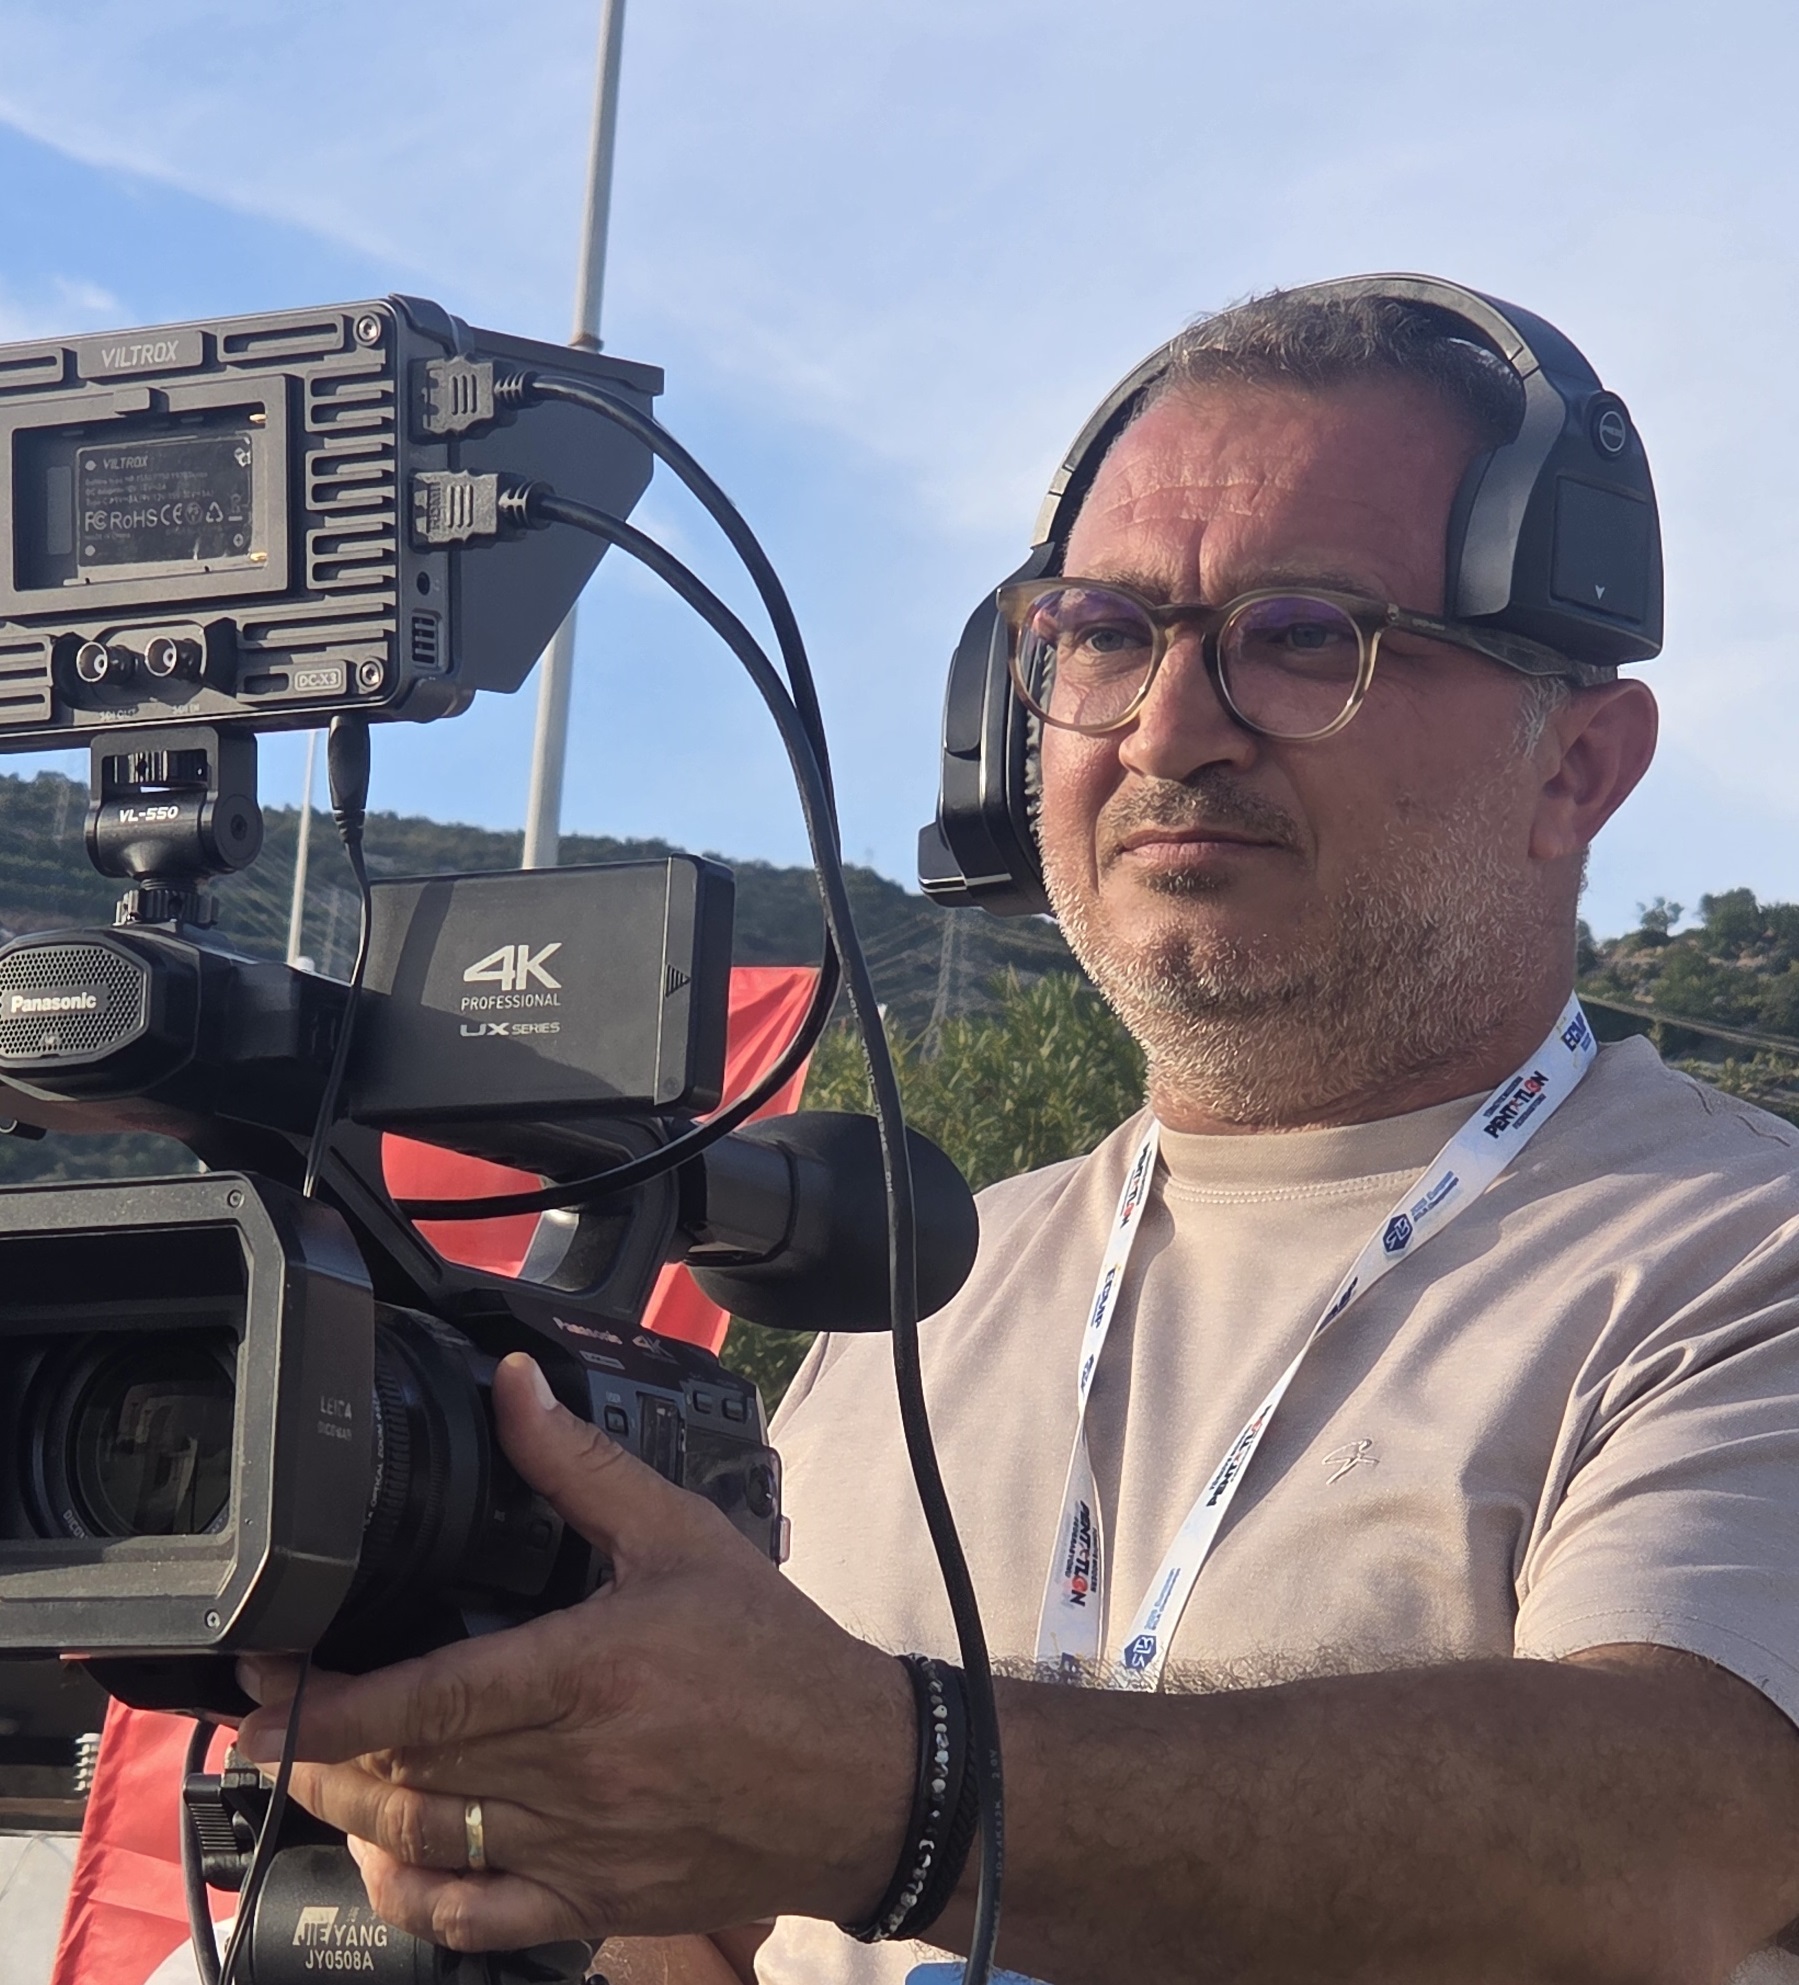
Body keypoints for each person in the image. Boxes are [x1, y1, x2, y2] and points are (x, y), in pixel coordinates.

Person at [237, 286, 1799, 1985]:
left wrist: (886, 1786)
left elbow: (1664, 1843)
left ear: (1578, 769)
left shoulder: (1741, 1257)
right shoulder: (924, 1282)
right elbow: (710, 1918)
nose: (1169, 730)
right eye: (1106, 635)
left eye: (1303, 636)